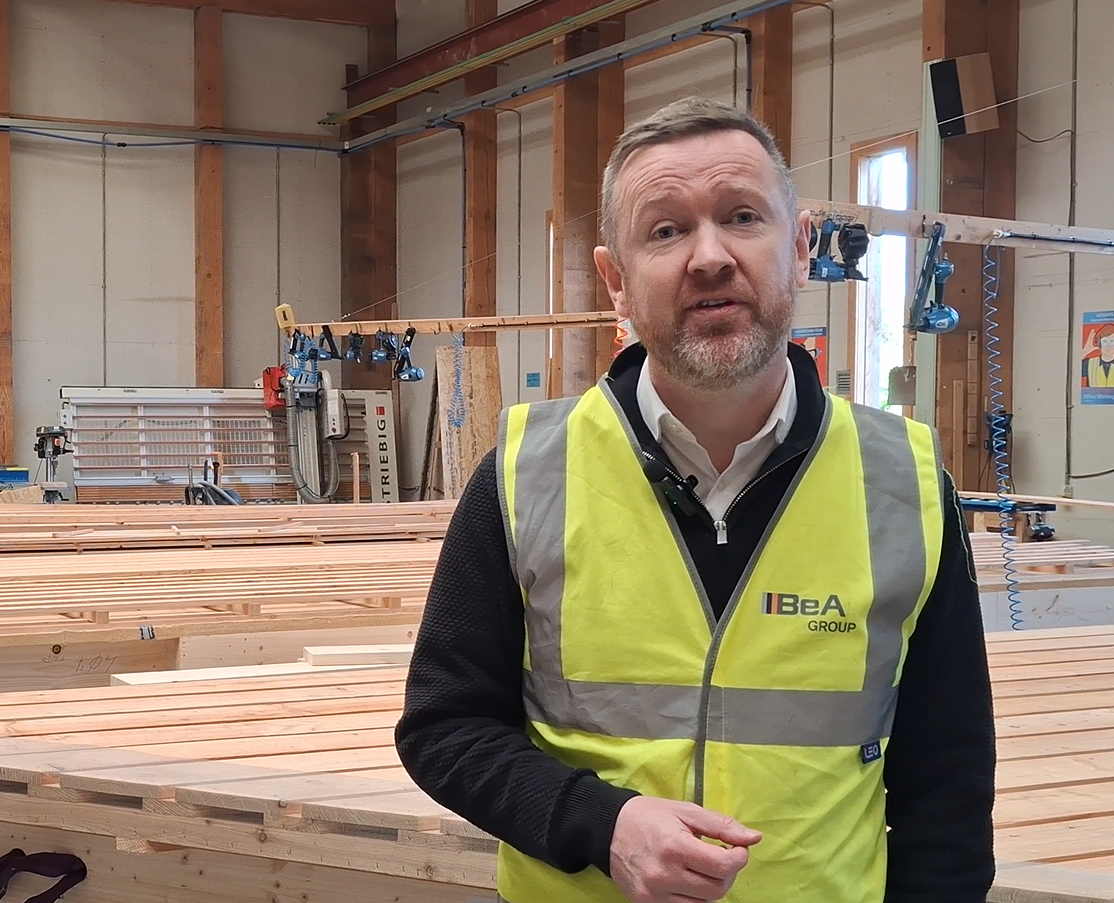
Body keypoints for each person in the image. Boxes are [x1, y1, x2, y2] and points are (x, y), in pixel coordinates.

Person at [396, 97, 996, 903]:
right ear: (614, 280)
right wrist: (598, 822)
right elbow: (444, 727)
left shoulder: (905, 483)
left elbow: (948, 783)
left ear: (801, 246)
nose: (708, 256)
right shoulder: (526, 472)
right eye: (665, 230)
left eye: (742, 216)